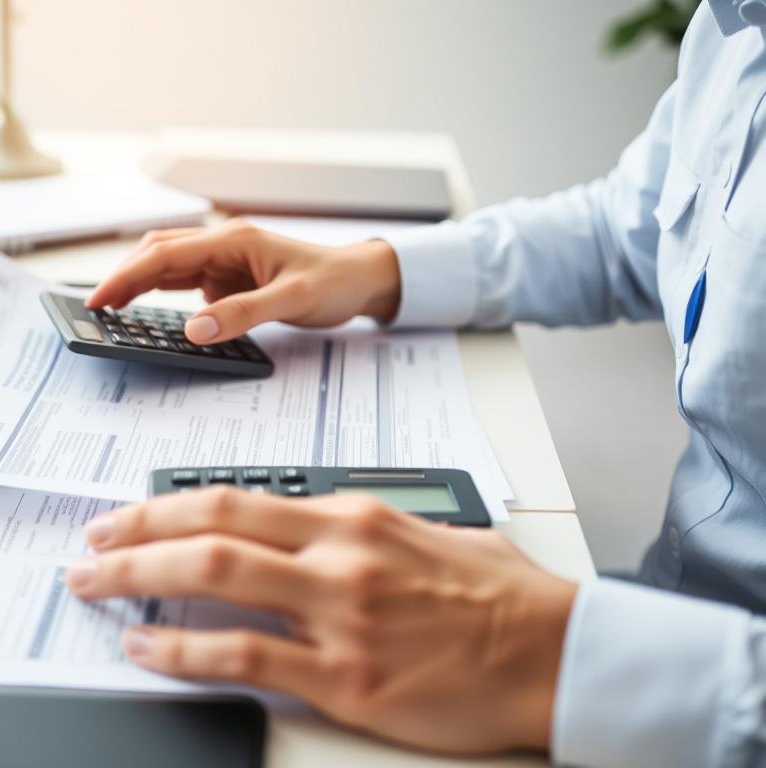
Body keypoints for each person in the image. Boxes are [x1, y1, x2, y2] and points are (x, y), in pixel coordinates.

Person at [65, 2, 766, 765]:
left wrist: (547, 651)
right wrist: (376, 272)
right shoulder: (734, 28)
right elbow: (623, 232)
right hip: (655, 610)